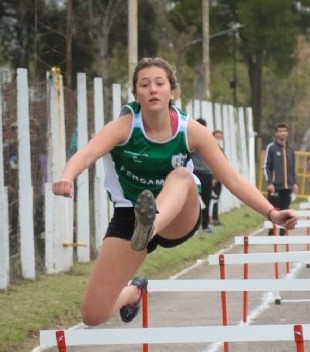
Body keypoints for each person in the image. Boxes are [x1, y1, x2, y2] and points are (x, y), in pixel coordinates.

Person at [51, 57, 297, 327]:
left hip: (178, 215)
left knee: (181, 176)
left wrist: (271, 212)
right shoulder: (123, 127)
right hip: (130, 216)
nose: (153, 89)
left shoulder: (190, 130)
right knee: (93, 315)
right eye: (145, 85)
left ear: (172, 92)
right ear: (136, 95)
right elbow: (86, 154)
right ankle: (134, 292)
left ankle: (151, 224)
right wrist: (66, 175)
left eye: (159, 83)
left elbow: (233, 180)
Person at [263, 123, 298, 210]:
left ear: (287, 133)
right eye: (280, 131)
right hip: (275, 187)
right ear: (276, 133)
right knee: (275, 212)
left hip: (287, 187)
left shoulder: (291, 149)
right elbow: (266, 166)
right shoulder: (271, 148)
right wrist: (270, 183)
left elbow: (293, 168)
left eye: (284, 131)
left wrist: (295, 183)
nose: (282, 133)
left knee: (285, 212)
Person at [192, 118, 215, 233]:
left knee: (206, 200)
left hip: (207, 174)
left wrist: (215, 177)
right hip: (195, 174)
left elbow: (218, 159)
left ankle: (205, 225)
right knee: (195, 202)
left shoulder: (210, 140)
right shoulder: (189, 140)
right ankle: (193, 227)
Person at [210, 129, 225, 226]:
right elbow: (211, 164)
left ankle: (216, 218)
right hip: (213, 178)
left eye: (220, 137)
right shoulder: (211, 148)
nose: (218, 139)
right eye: (216, 137)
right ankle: (211, 219)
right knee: (212, 199)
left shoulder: (220, 148)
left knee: (216, 199)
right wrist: (213, 178)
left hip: (219, 178)